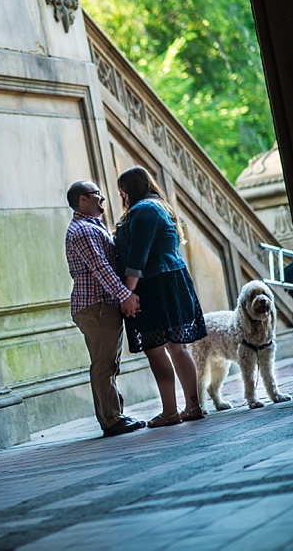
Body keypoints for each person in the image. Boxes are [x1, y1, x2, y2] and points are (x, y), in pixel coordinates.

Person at [114, 166, 207, 427]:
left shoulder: (143, 209)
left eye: (123, 191)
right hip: (173, 280)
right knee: (178, 348)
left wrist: (127, 293)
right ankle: (193, 406)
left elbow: (138, 254)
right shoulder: (161, 207)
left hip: (154, 285)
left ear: (131, 189)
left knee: (156, 350)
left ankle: (170, 412)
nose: (122, 197)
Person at [65, 180, 145, 437]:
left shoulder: (90, 227)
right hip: (96, 307)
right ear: (82, 200)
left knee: (108, 363)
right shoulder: (84, 231)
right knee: (104, 364)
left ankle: (115, 415)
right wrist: (125, 296)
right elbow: (101, 267)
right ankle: (111, 420)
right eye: (95, 194)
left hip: (99, 305)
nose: (102, 198)